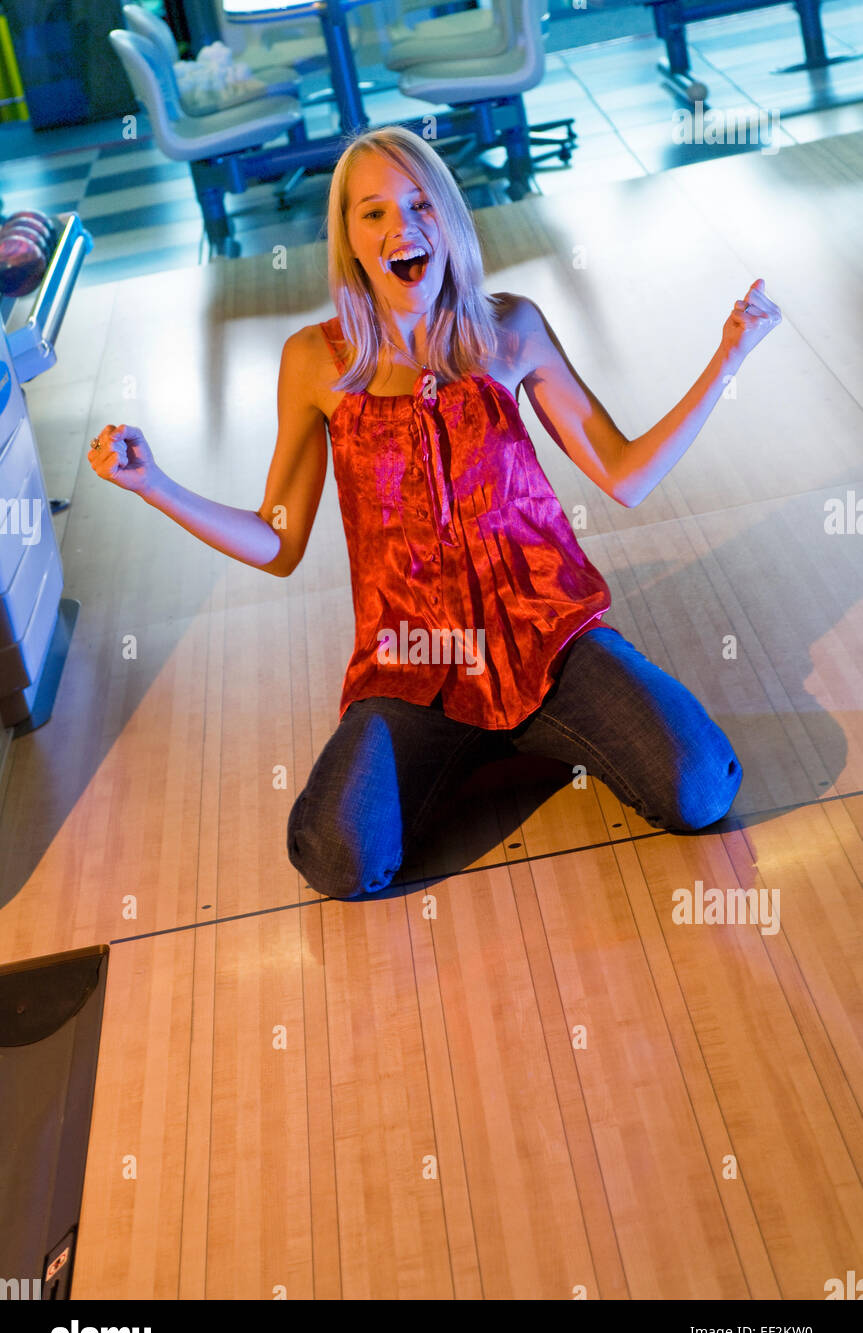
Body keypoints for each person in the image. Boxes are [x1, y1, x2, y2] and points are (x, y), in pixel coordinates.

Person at [88, 125, 781, 901]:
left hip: (545, 642)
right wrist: (156, 485)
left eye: (419, 205)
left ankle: (532, 728)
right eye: (373, 213)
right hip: (411, 666)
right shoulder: (316, 362)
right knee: (338, 859)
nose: (400, 229)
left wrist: (728, 357)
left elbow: (624, 475)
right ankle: (469, 746)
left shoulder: (509, 328)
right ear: (348, 238)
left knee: (699, 791)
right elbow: (279, 543)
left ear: (449, 217)